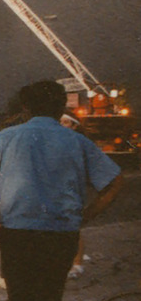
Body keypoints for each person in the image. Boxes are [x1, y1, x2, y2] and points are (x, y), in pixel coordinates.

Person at [0, 81, 124, 301]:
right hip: (61, 235)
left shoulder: (7, 137)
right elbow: (114, 181)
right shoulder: (77, 141)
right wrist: (87, 215)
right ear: (61, 108)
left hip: (17, 234)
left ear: (25, 108)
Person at [59, 112, 89, 280]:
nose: (62, 125)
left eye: (66, 122)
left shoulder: (79, 142)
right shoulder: (62, 141)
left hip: (71, 188)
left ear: (75, 125)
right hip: (61, 187)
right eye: (61, 122)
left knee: (73, 227)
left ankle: (77, 264)